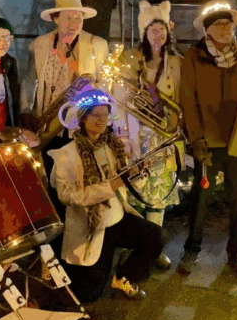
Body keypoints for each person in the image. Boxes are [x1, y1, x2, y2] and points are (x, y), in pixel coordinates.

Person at [48, 90, 163, 302]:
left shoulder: (111, 145)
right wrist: (110, 186)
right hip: (91, 227)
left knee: (156, 236)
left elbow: (122, 178)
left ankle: (124, 277)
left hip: (117, 218)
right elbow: (67, 196)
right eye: (96, 116)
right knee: (88, 296)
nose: (102, 121)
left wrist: (137, 173)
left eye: (105, 115)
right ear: (83, 118)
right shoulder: (66, 154)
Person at [177, 0, 237, 276]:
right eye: (219, 25)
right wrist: (196, 139)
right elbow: (188, 99)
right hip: (208, 141)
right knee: (201, 199)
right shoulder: (194, 56)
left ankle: (235, 252)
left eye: (228, 25)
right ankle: (191, 250)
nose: (226, 29)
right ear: (207, 30)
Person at [115, 1, 183, 270]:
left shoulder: (178, 62)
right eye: (153, 28)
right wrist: (123, 134)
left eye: (162, 28)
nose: (158, 33)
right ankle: (132, 246)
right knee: (133, 193)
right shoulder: (130, 59)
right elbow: (118, 97)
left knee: (160, 194)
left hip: (164, 139)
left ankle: (155, 245)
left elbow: (183, 98)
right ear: (144, 32)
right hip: (136, 136)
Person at [26, 0, 110, 125]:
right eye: (68, 18)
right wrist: (26, 111)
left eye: (78, 18)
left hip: (81, 122)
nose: (74, 23)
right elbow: (29, 82)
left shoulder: (97, 45)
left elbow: (106, 85)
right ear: (56, 19)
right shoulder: (39, 44)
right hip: (46, 123)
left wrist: (88, 88)